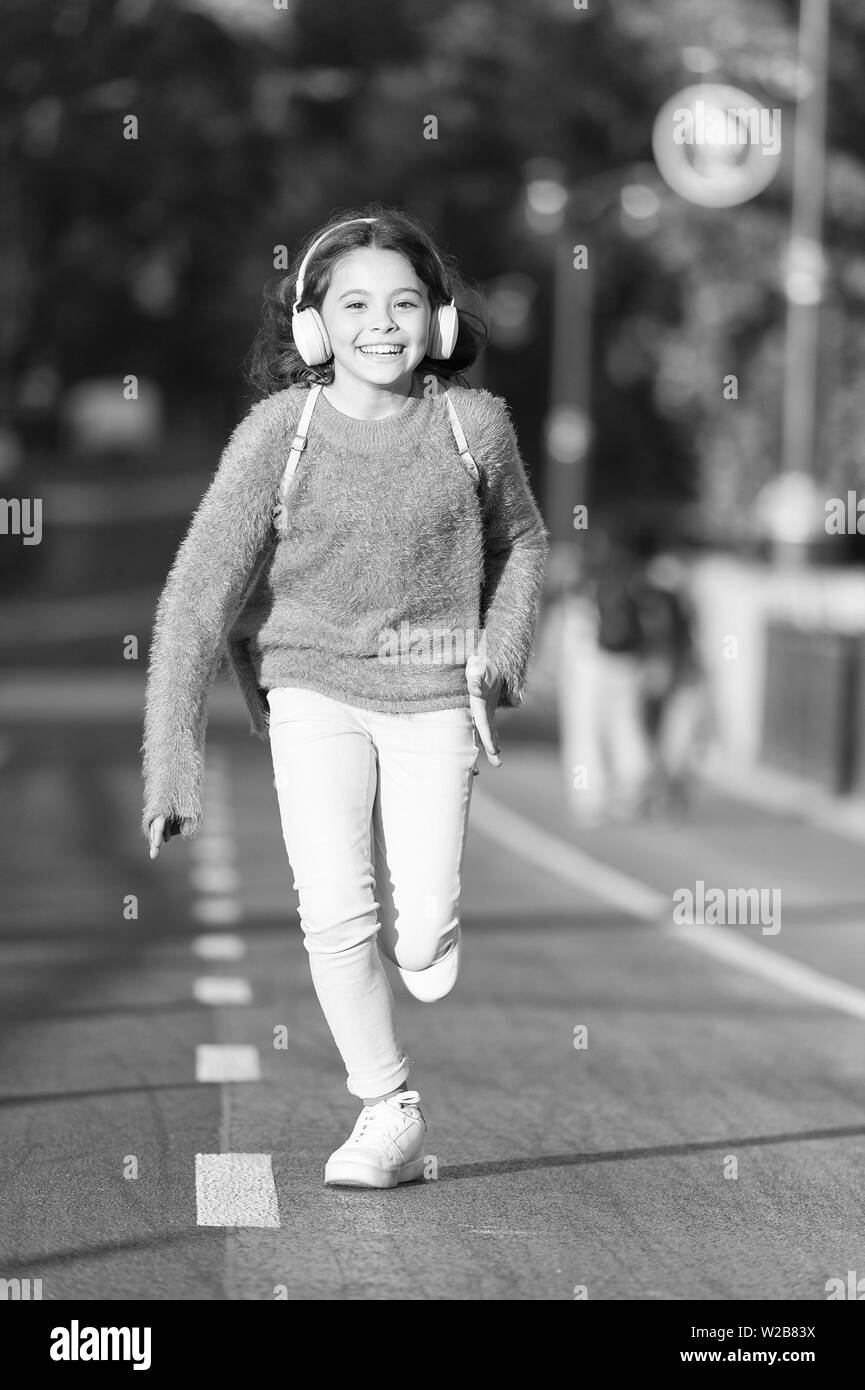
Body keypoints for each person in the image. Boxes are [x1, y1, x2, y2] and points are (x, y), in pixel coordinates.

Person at [140, 205, 550, 1189]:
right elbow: (196, 598)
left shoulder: (472, 426)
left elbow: (526, 544)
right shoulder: (279, 435)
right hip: (311, 687)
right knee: (332, 908)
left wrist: (496, 657)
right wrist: (172, 772)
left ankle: (424, 941)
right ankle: (387, 1108)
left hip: (432, 692)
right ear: (315, 326)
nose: (381, 323)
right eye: (354, 303)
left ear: (440, 323)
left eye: (404, 302)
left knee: (423, 934)